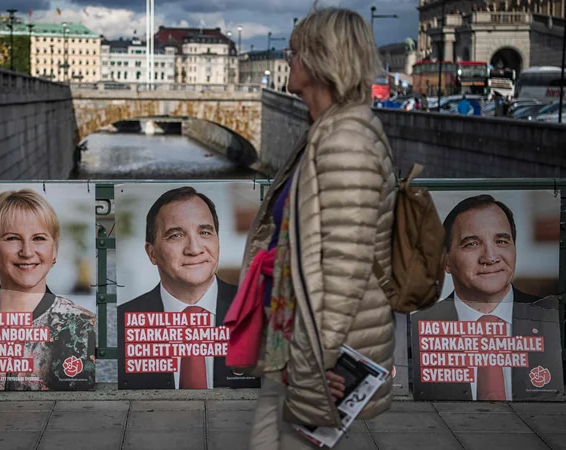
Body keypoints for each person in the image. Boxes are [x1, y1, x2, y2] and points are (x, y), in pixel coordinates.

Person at [241, 8, 397, 449]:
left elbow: (345, 269)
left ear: (319, 62)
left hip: (318, 350)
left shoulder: (345, 142)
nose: (287, 62)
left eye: (293, 53)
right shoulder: (325, 132)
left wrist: (320, 366)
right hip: (294, 338)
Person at [410, 195, 563, 401]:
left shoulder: (552, 319)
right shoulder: (415, 330)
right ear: (445, 261)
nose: (490, 257)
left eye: (501, 241)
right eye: (472, 244)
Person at [0, 189, 96, 391]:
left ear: (55, 249)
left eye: (39, 238)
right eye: (12, 238)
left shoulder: (81, 326)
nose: (27, 252)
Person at [117, 187, 245, 390]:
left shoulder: (255, 311)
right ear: (152, 253)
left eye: (205, 232)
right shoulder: (119, 324)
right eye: (176, 235)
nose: (194, 249)